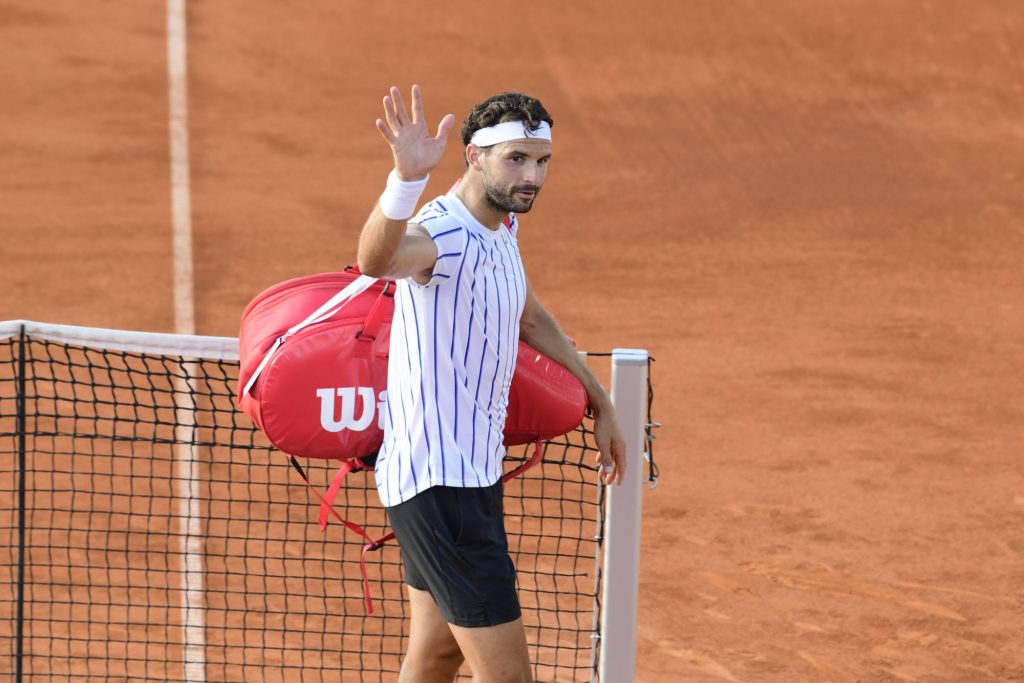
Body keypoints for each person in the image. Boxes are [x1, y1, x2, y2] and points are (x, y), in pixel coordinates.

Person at [357, 84, 626, 683]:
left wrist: (599, 398)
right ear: (475, 156)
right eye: (516, 159)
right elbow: (379, 260)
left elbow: (528, 317)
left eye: (542, 162)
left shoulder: (501, 229)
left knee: (436, 656)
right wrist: (404, 180)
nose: (533, 175)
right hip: (439, 484)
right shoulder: (439, 233)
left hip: (471, 476)